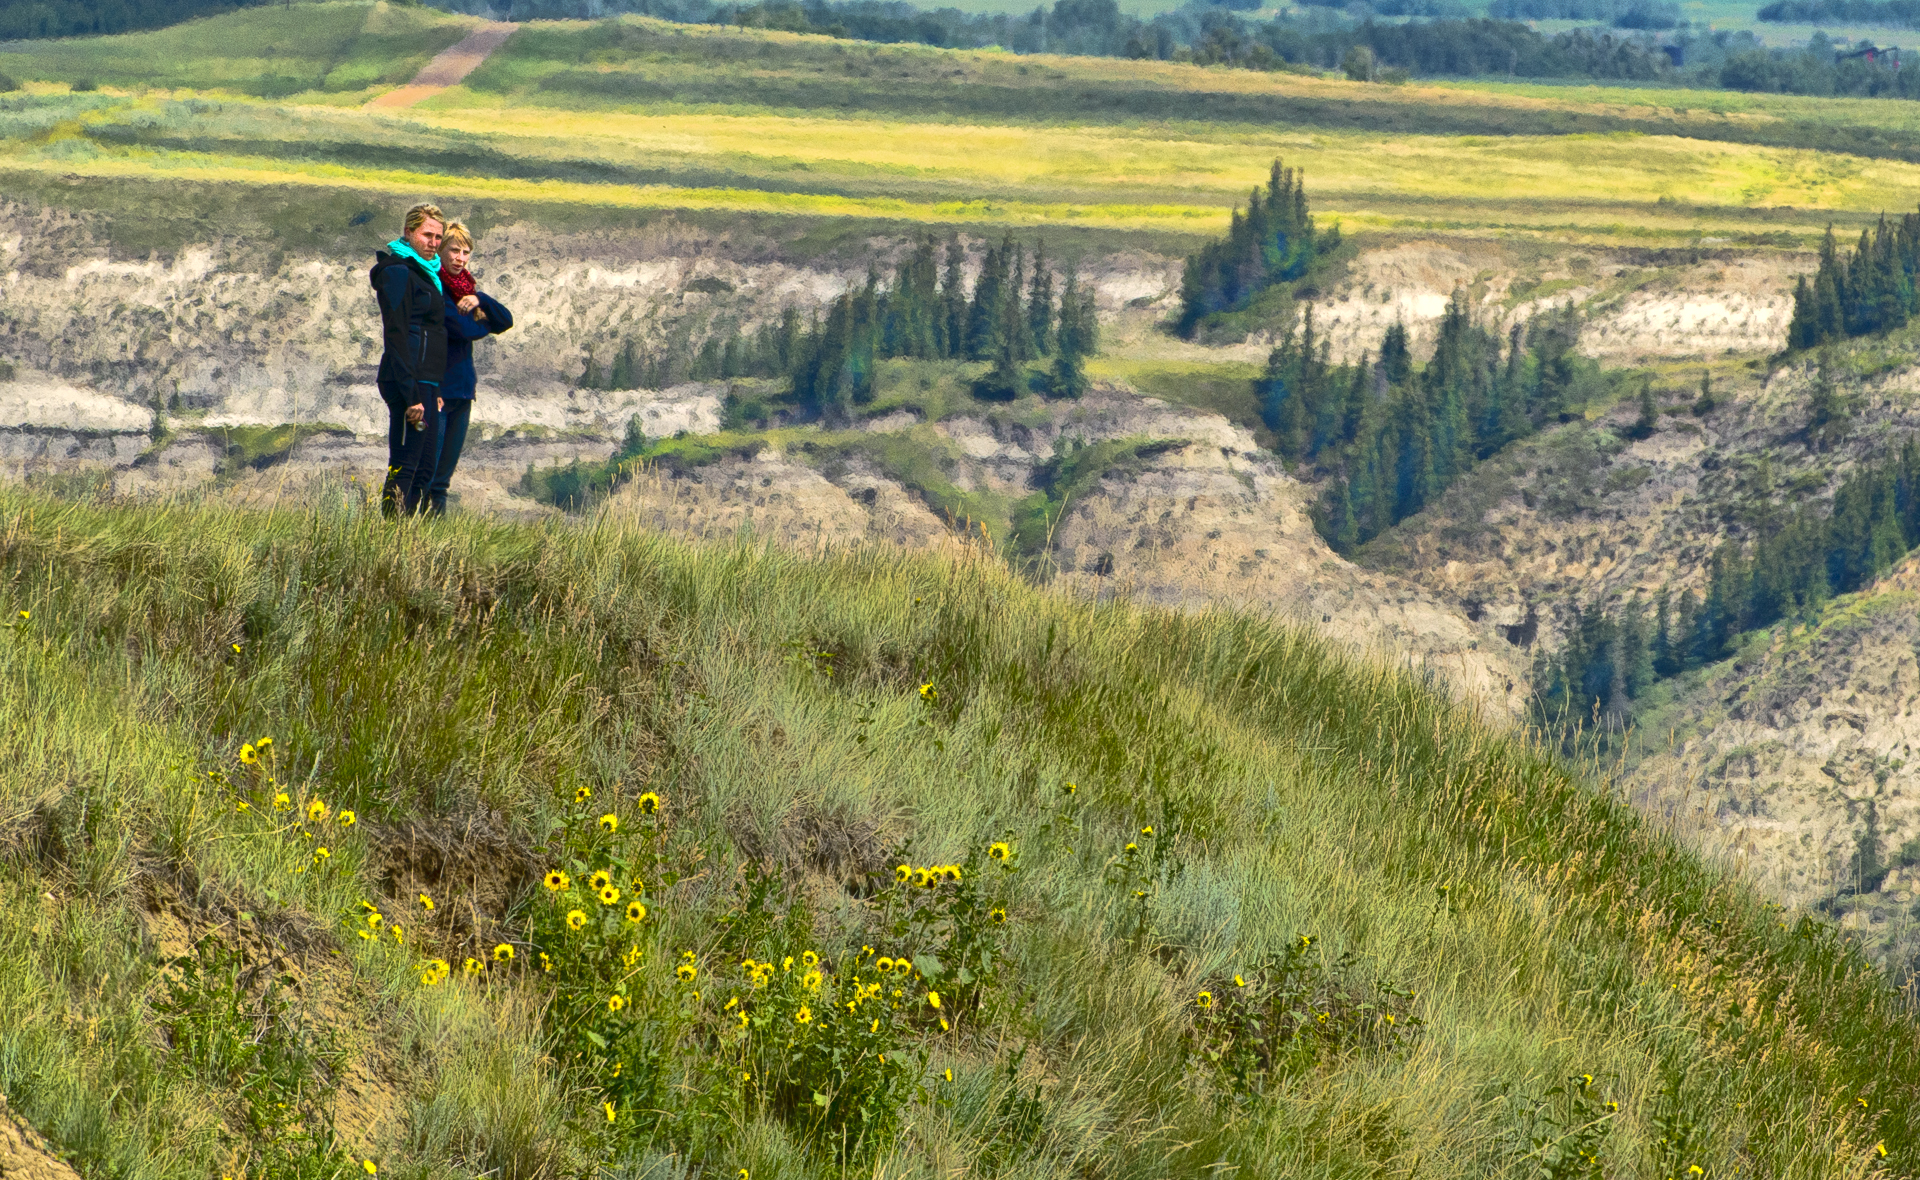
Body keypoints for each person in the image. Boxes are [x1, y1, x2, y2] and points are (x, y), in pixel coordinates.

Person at [425, 220, 513, 516]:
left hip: (462, 392)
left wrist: (481, 299)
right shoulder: (435, 289)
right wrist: (483, 320)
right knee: (427, 473)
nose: (460, 258)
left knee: (442, 480)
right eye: (454, 251)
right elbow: (464, 330)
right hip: (437, 391)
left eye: (466, 252)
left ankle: (431, 538)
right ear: (441, 250)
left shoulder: (467, 291)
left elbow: (506, 320)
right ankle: (410, 533)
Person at [369, 203, 448, 517]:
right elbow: (397, 333)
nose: (433, 242)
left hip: (426, 381)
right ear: (409, 232)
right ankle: (391, 536)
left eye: (438, 237)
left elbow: (430, 334)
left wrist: (434, 388)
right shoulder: (399, 272)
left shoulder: (427, 274)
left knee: (426, 467)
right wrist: (411, 394)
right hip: (406, 381)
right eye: (427, 235)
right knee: (406, 464)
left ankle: (412, 538)